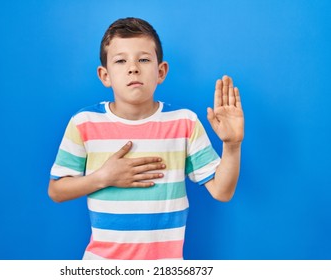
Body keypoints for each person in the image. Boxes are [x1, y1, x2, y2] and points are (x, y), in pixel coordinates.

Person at [48, 17, 244, 260]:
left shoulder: (184, 122)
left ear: (161, 71)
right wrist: (103, 177)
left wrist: (232, 145)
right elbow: (56, 190)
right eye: (120, 61)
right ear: (105, 75)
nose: (133, 68)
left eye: (143, 59)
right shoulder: (84, 123)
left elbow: (222, 192)